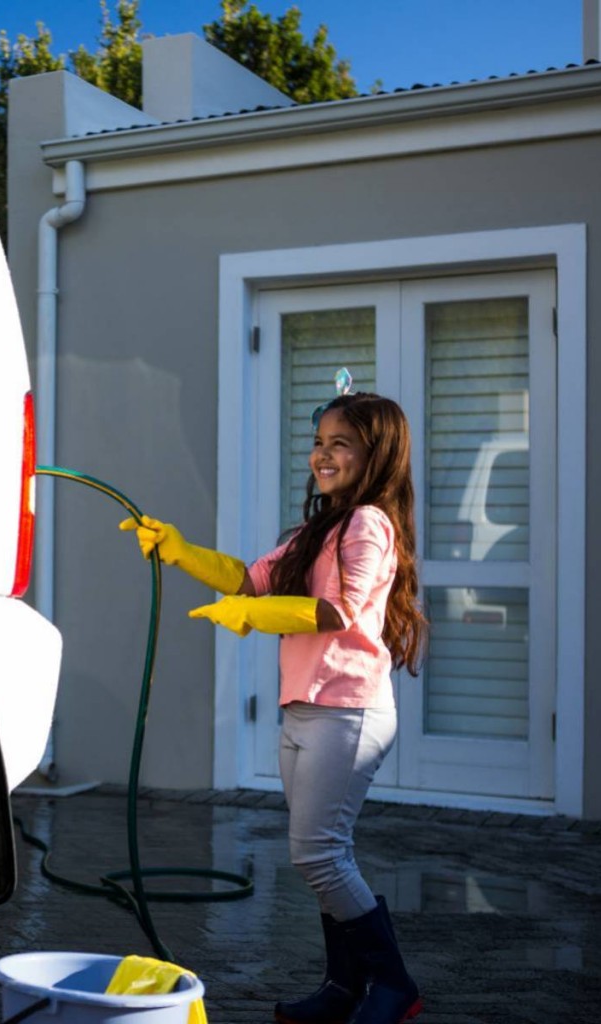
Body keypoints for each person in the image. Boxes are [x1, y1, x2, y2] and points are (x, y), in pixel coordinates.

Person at [121, 389, 427, 1024]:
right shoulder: (320, 528)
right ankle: (344, 989)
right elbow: (248, 579)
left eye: (340, 444)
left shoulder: (369, 523)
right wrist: (179, 549)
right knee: (324, 858)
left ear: (377, 455)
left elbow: (333, 611)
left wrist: (252, 618)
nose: (322, 454)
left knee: (319, 853)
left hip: (349, 711)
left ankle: (394, 986)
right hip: (305, 711)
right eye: (319, 443)